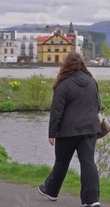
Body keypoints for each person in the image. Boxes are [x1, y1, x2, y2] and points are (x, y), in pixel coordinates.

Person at [38, 52, 102, 207]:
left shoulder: (64, 84)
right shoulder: (91, 82)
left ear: (66, 65)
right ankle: (92, 200)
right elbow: (98, 105)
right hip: (89, 130)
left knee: (61, 162)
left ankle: (51, 191)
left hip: (67, 131)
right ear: (82, 65)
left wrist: (52, 133)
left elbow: (56, 111)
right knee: (88, 163)